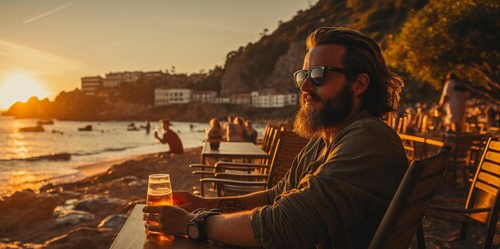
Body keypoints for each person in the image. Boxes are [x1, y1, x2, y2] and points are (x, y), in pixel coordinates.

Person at [143, 26, 407, 248]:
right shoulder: (326, 138)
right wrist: (203, 203)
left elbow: (285, 226)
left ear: (358, 84)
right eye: (304, 75)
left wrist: (194, 223)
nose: (305, 86)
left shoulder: (368, 140)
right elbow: (276, 196)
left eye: (319, 75)